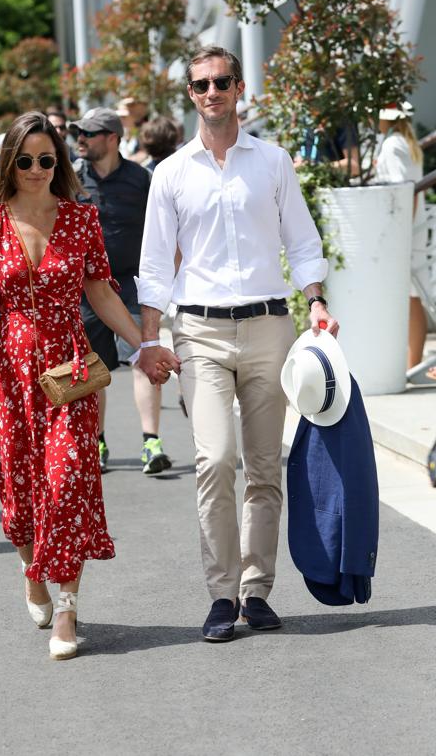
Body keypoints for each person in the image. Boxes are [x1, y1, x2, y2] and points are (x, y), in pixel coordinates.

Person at [136, 45, 338, 641]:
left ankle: (255, 589)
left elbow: (301, 242)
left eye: (222, 81)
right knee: (215, 458)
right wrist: (149, 338)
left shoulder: (273, 162)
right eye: (201, 85)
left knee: (263, 466)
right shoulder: (171, 173)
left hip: (270, 326)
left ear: (239, 88)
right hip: (197, 329)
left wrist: (318, 300)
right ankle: (220, 594)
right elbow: (153, 267)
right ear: (191, 95)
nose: (212, 92)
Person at [0, 111, 174, 660]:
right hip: (11, 371)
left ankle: (68, 608)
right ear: (11, 161)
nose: (36, 169)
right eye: (25, 160)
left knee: (68, 478)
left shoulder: (81, 219)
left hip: (71, 367)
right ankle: (32, 567)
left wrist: (143, 346)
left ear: (59, 162)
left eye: (46, 159)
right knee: (23, 487)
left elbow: (102, 293)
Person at [69, 107, 172, 476]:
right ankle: (98, 442)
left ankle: (151, 442)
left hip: (132, 284)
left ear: (112, 138)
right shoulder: (71, 182)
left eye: (89, 133)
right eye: (77, 132)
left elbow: (163, 230)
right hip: (87, 289)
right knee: (94, 369)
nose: (80, 138)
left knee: (145, 357)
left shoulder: (142, 179)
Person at [375, 101, 428, 370]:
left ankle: (413, 362)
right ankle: (412, 361)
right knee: (411, 294)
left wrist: (400, 233)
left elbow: (405, 190)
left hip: (404, 230)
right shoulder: (405, 141)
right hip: (410, 228)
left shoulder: (393, 144)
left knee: (410, 296)